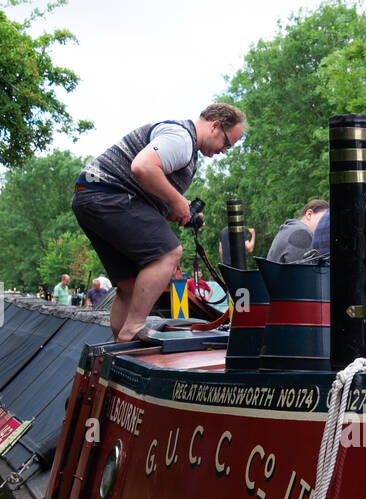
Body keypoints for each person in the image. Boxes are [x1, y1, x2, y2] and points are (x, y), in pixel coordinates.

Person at [72, 102, 245, 343]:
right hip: (107, 196)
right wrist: (177, 201)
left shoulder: (181, 140)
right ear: (215, 126)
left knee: (131, 287)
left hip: (90, 196)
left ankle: (121, 348)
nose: (224, 150)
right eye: (227, 142)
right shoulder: (182, 139)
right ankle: (133, 329)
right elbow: (142, 167)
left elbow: (143, 189)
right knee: (169, 254)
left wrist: (176, 210)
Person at [266, 199, 328, 264]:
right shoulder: (301, 233)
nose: (324, 224)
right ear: (309, 214)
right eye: (323, 219)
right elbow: (304, 272)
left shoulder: (291, 229)